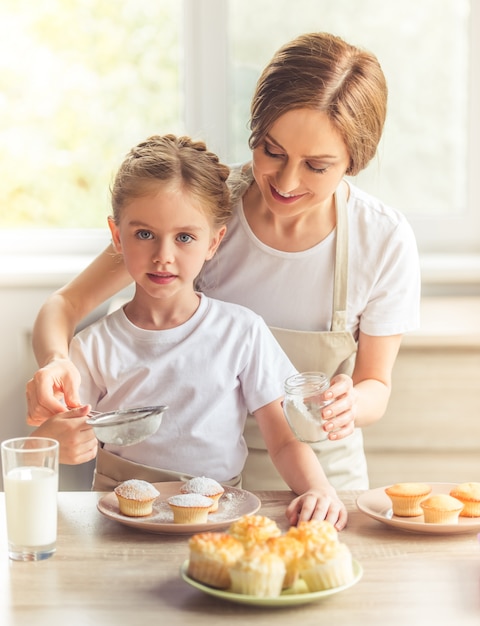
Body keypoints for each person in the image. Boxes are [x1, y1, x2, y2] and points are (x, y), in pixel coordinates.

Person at [27, 32, 420, 492]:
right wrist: (56, 361)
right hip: (203, 482)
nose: (287, 181)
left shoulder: (382, 239)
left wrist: (350, 403)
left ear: (354, 160)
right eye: (272, 151)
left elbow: (376, 383)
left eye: (317, 166)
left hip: (319, 474)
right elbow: (65, 305)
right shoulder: (198, 210)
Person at [31, 133, 348, 528]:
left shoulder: (242, 332)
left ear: (214, 242)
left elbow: (284, 441)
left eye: (184, 237)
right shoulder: (92, 347)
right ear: (117, 236)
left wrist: (319, 489)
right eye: (144, 234)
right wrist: (46, 447)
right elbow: (56, 434)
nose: (164, 255)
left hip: (220, 519)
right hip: (118, 525)